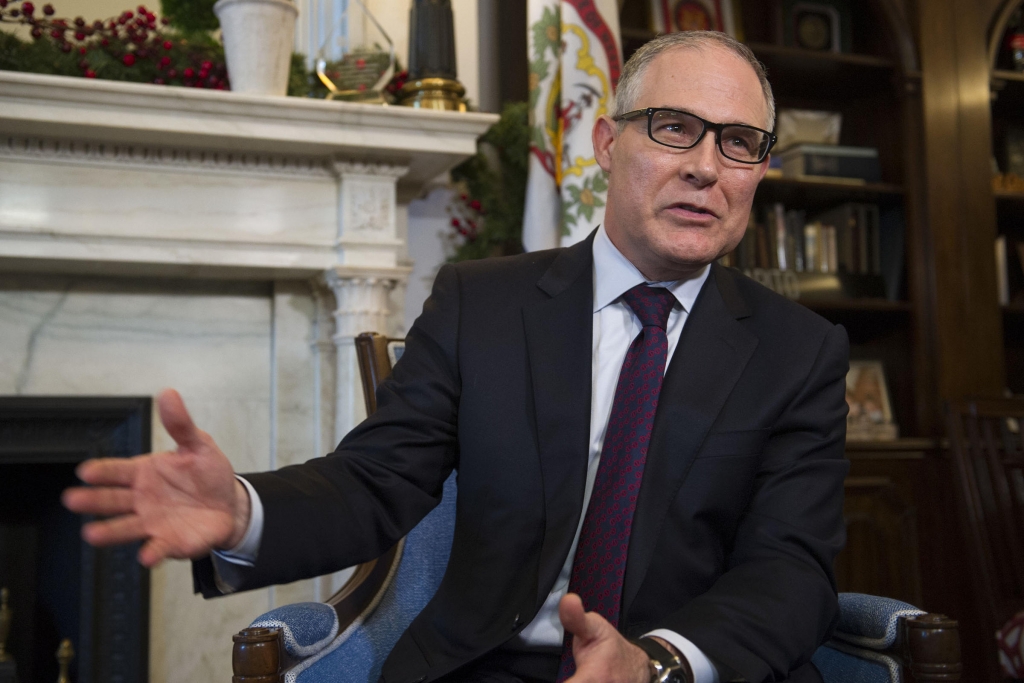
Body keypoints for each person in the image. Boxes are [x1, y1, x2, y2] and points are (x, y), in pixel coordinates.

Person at [63, 31, 850, 683]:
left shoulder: (797, 352)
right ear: (608, 143)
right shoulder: (486, 306)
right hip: (489, 664)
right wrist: (243, 511)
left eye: (739, 143)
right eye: (675, 127)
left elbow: (790, 569)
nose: (706, 165)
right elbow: (376, 482)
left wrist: (656, 662)